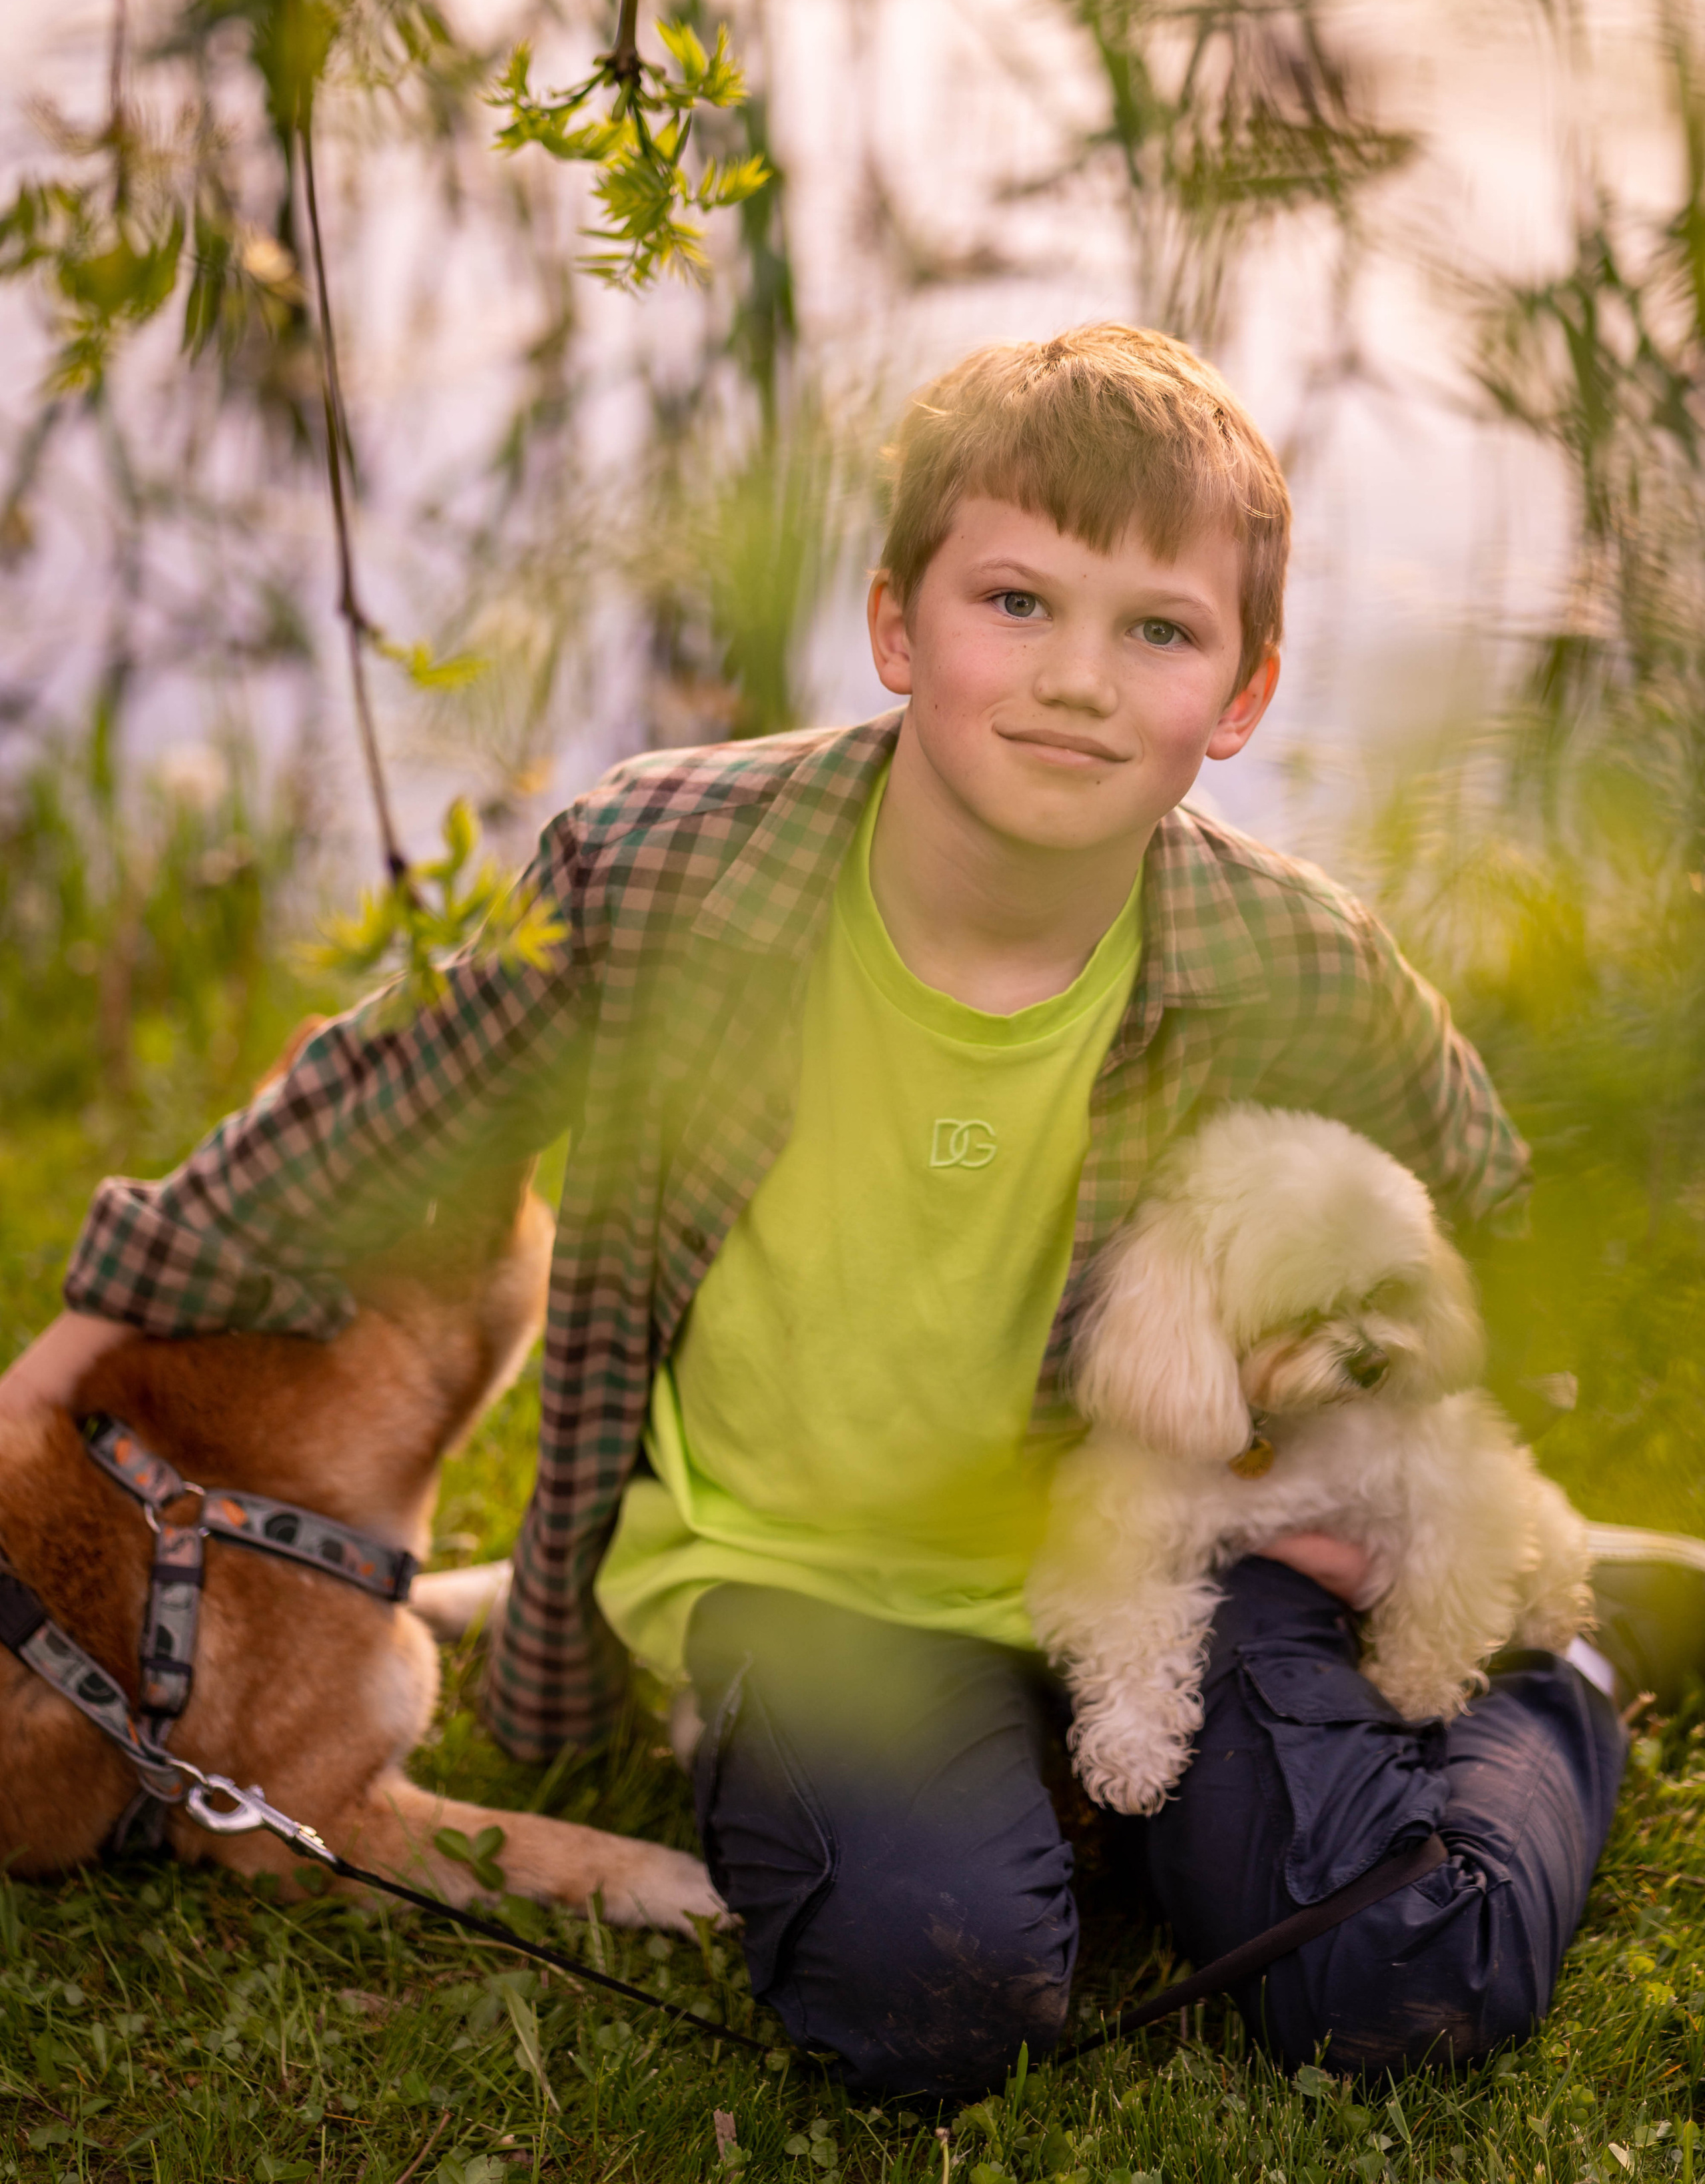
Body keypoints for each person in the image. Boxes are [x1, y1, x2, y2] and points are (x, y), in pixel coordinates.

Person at [7, 324, 1702, 2094]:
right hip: (810, 1590)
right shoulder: (665, 871)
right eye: (1017, 603)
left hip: (1176, 1553)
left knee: (1398, 1980)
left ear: (1244, 695)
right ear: (898, 625)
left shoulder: (1294, 959)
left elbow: (1489, 1205)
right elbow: (371, 1099)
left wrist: (1389, 1495)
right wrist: (74, 1347)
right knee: (926, 1999)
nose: (1079, 682)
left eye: (1160, 631)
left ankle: (1561, 1654)